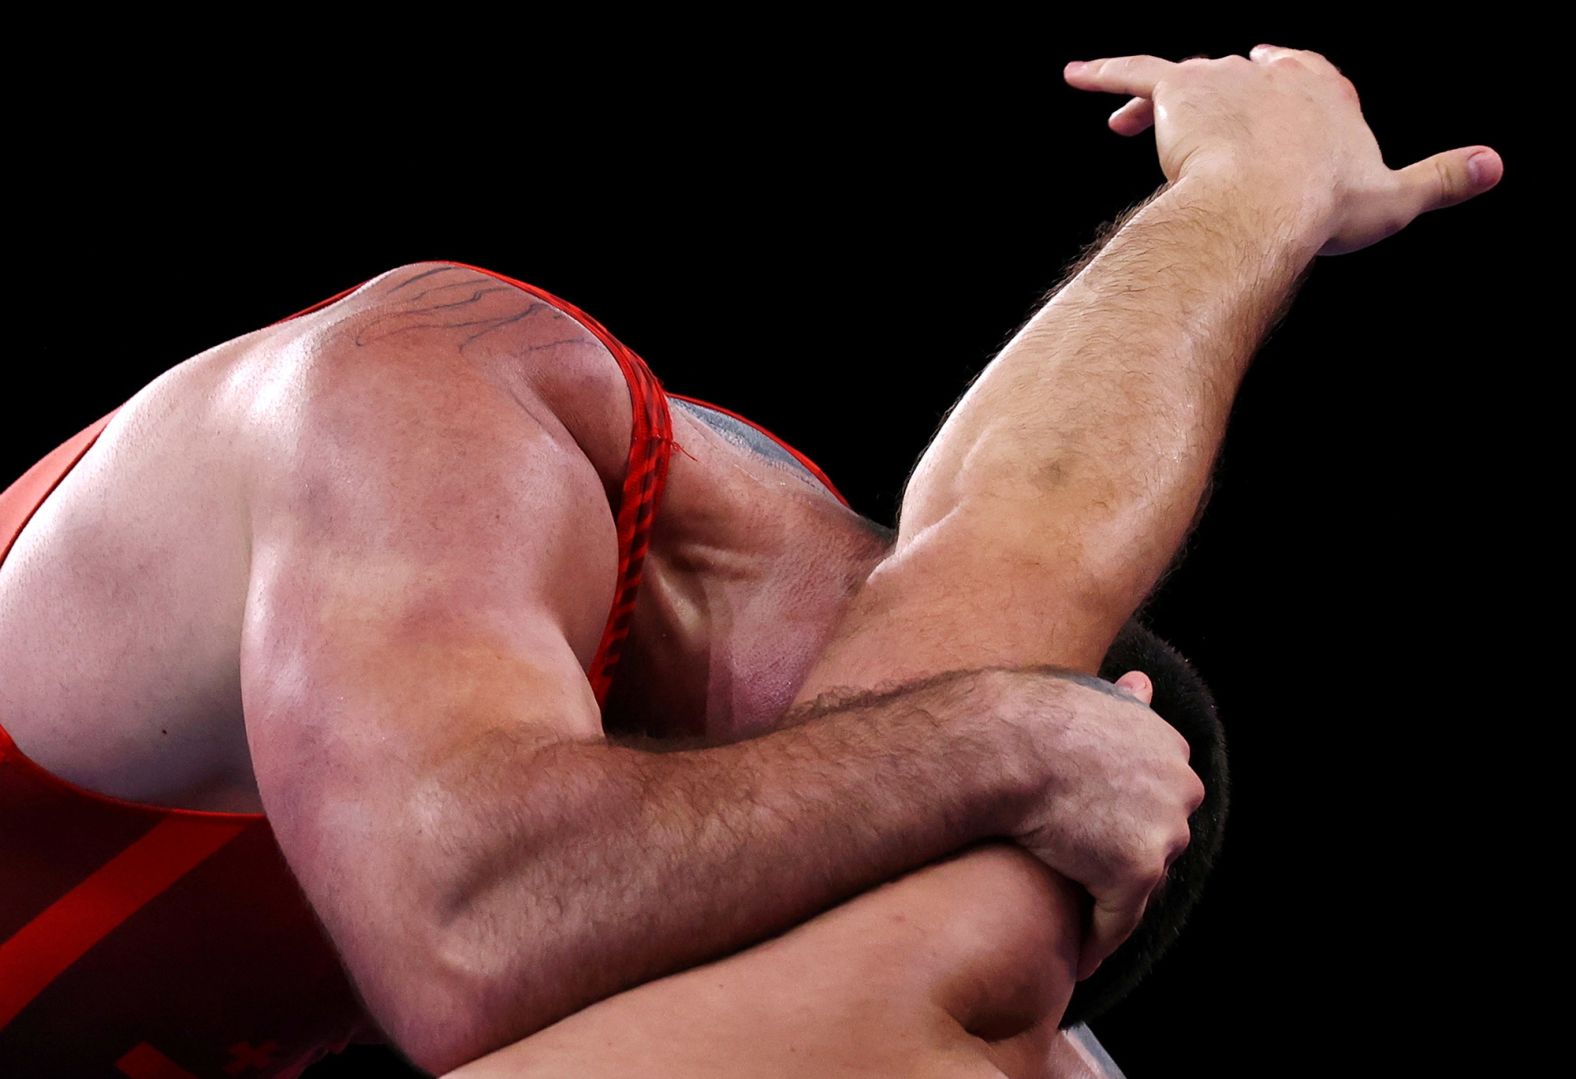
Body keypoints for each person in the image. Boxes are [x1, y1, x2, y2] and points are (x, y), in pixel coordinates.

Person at [0, 45, 1499, 1079]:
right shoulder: (425, 395)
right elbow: (471, 934)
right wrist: (981, 744)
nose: (811, 932)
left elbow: (1034, 518)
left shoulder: (812, 669)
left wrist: (1249, 191)